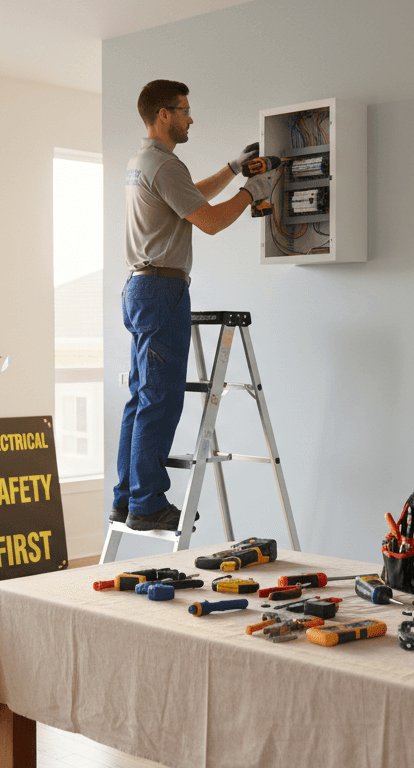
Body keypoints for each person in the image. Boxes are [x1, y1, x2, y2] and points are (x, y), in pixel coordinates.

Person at [111, 80, 276, 532]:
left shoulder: (144, 162)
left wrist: (232, 169)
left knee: (140, 399)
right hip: (162, 291)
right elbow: (210, 221)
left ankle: (126, 499)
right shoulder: (164, 165)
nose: (190, 118)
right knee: (160, 401)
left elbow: (189, 197)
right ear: (163, 114)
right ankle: (147, 504)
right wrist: (251, 191)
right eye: (184, 110)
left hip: (140, 289)